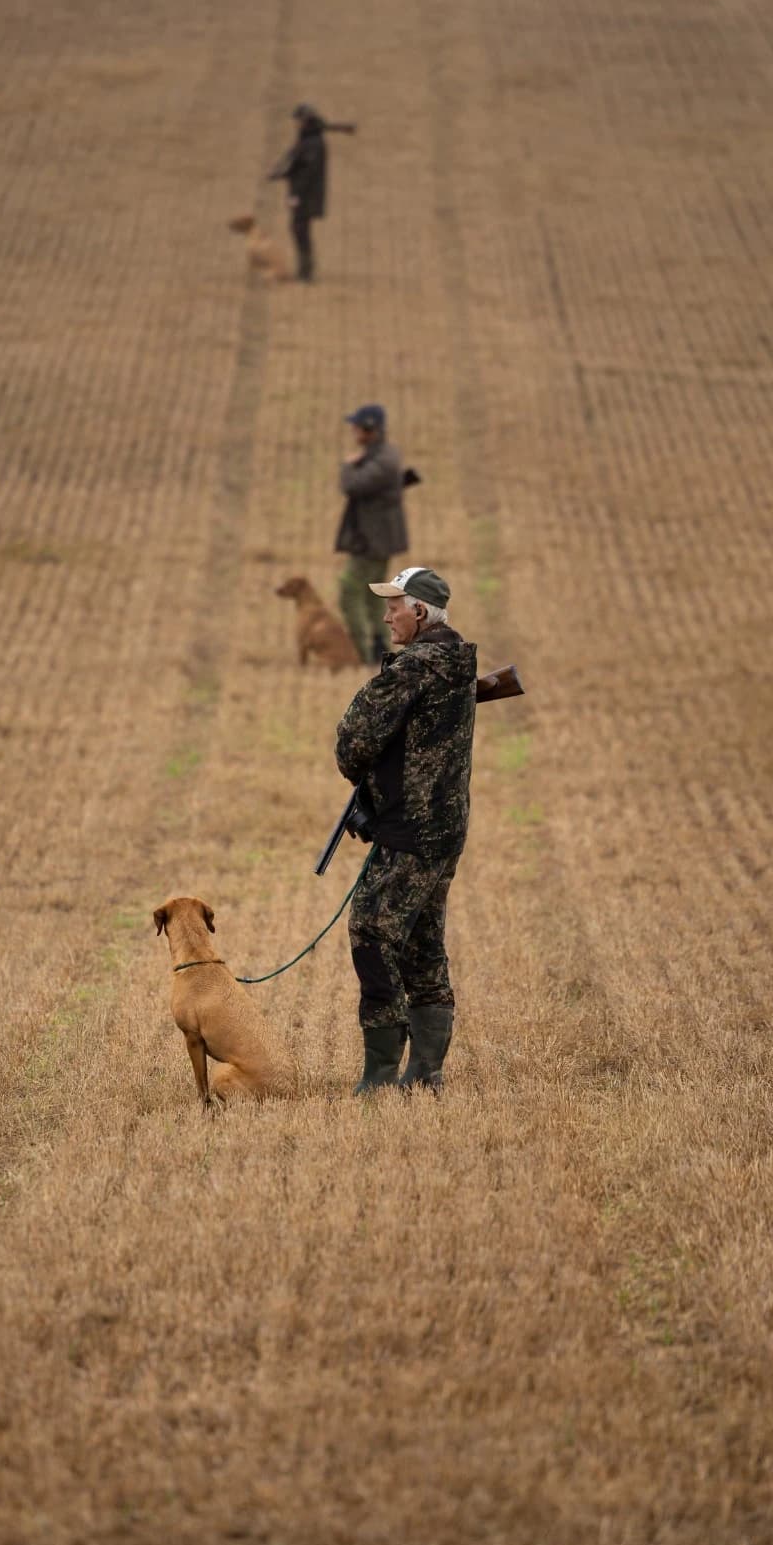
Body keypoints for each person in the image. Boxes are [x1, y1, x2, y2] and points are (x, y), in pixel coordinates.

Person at [334, 567, 477, 1096]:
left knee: (371, 931)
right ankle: (426, 1072)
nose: (387, 614)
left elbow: (351, 739)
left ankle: (380, 1075)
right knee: (421, 941)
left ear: (420, 612)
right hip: (446, 829)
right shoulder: (457, 661)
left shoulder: (414, 668)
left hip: (410, 829)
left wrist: (367, 782)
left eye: (395, 605)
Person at [336, 404, 409, 666]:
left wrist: (348, 466)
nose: (353, 431)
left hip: (373, 541)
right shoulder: (381, 456)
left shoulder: (383, 460)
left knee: (348, 589)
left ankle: (363, 652)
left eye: (357, 426)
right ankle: (379, 647)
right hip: (374, 538)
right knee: (372, 595)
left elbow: (352, 486)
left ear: (370, 429)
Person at [268, 103, 329, 282]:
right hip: (302, 194)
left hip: (305, 196)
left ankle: (306, 271)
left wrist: (295, 194)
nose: (296, 124)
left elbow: (305, 171)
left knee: (300, 230)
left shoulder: (313, 144)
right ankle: (304, 269)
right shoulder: (308, 139)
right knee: (298, 229)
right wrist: (280, 173)